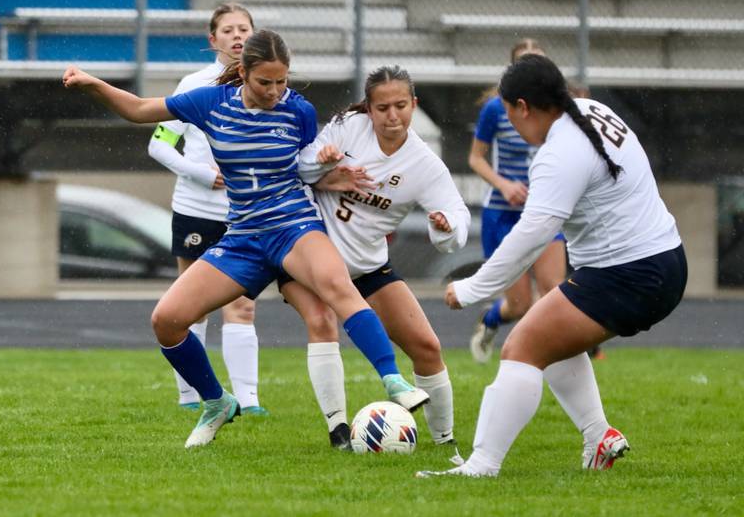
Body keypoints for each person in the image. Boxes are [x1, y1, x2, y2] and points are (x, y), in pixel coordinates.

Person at [62, 29, 429, 449]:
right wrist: (93, 84)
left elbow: (307, 167)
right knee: (166, 320)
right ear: (243, 73)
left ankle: (394, 381)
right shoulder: (209, 103)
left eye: (282, 82)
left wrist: (327, 168)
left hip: (294, 225)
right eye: (265, 82)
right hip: (243, 236)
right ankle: (216, 402)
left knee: (337, 291)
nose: (276, 92)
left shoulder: (299, 111)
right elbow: (141, 109)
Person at [418, 54, 686, 478]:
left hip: (630, 273)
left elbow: (530, 238)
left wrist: (472, 288)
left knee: (520, 348)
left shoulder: (558, 152)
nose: (509, 123)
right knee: (551, 335)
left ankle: (482, 466)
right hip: (665, 259)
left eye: (508, 113)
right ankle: (598, 437)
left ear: (524, 107)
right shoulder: (594, 111)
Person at [283, 65, 470, 448]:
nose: (392, 115)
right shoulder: (348, 127)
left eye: (401, 105)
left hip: (366, 265)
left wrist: (446, 225)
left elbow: (457, 215)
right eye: (382, 107)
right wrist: (324, 162)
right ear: (368, 108)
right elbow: (299, 166)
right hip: (308, 257)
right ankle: (338, 431)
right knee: (321, 320)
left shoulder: (424, 163)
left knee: (427, 346)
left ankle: (445, 443)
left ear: (414, 104)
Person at [148, 2, 267, 415]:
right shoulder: (193, 84)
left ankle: (249, 401)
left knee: (243, 305)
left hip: (246, 216)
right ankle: (190, 395)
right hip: (196, 209)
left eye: (244, 29)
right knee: (189, 304)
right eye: (228, 30)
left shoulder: (267, 86)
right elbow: (158, 144)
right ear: (212, 39)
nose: (237, 36)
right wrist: (201, 173)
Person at [466, 38, 566, 364]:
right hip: (503, 214)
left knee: (555, 292)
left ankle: (543, 359)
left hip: (544, 211)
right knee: (519, 305)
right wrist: (505, 184)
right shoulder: (497, 109)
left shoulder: (557, 111)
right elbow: (476, 159)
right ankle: (492, 319)